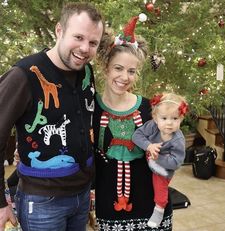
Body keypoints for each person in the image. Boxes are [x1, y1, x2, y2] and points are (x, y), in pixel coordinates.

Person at [0, 2, 104, 231]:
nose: (85, 48)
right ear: (59, 30)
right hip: (42, 203)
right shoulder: (23, 75)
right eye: (78, 37)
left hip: (82, 197)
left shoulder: (86, 71)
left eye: (93, 42)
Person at [93, 15, 173, 230]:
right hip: (107, 204)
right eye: (118, 68)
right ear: (106, 68)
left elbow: (168, 151)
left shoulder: (149, 109)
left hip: (149, 204)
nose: (124, 77)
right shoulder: (91, 108)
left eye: (131, 71)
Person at [132, 92, 188, 228]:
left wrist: (159, 158)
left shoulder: (177, 140)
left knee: (160, 185)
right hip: (150, 157)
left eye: (174, 118)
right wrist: (149, 145)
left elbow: (176, 162)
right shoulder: (152, 126)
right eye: (164, 118)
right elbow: (136, 136)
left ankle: (159, 209)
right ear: (156, 118)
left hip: (163, 169)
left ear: (181, 118)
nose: (169, 123)